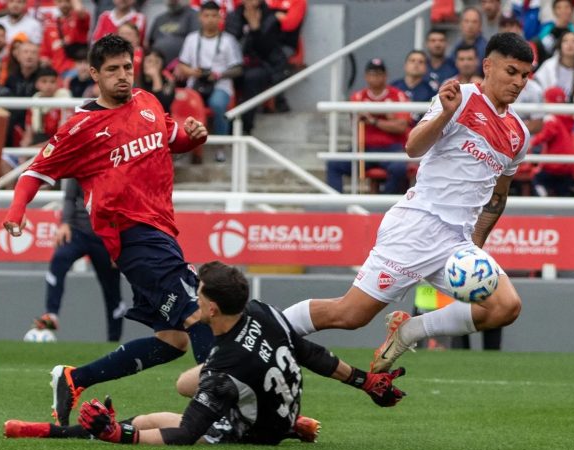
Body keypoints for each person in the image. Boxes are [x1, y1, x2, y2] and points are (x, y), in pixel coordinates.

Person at [282, 33, 533, 374]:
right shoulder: (458, 98)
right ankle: (268, 328)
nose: (518, 82)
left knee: (506, 307)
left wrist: (475, 248)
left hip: (456, 242)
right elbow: (413, 147)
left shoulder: (519, 134)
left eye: (524, 75)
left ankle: (409, 331)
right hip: (417, 226)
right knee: (350, 315)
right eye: (511, 71)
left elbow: (497, 197)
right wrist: (444, 115)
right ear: (488, 66)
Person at [2, 34, 214, 427]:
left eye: (127, 67)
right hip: (131, 234)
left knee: (172, 341)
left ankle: (74, 379)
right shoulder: (82, 126)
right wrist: (17, 210)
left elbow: (172, 140)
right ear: (94, 74)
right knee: (199, 313)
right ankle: (218, 408)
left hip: (161, 231)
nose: (123, 76)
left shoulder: (148, 103)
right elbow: (35, 171)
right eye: (113, 69)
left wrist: (192, 136)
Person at [4, 261, 406, 445]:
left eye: (198, 295)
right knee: (188, 385)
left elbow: (184, 433)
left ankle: (64, 433)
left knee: (157, 412)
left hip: (257, 432)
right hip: (276, 406)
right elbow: (310, 352)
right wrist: (364, 380)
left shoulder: (224, 368)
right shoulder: (262, 311)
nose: (192, 300)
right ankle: (286, 418)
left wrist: (118, 434)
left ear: (212, 308)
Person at [33, 179, 127, 342]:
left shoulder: (120, 164)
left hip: (107, 235)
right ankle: (52, 313)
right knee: (59, 259)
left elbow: (126, 205)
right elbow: (70, 198)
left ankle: (114, 341)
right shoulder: (81, 160)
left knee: (112, 291)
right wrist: (65, 223)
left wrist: (119, 240)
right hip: (78, 231)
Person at [327, 58, 411, 194]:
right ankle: (337, 208)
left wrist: (373, 120)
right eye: (372, 73)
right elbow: (356, 121)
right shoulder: (358, 96)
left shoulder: (398, 95)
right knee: (334, 164)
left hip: (391, 148)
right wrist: (387, 115)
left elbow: (401, 127)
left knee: (399, 169)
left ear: (385, 76)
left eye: (379, 73)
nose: (375, 77)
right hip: (363, 147)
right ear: (366, 76)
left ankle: (385, 209)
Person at [177, 1, 243, 136]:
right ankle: (189, 144)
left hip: (220, 85)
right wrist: (192, 72)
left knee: (217, 104)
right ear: (200, 17)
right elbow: (182, 65)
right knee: (185, 103)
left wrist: (218, 75)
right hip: (196, 83)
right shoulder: (191, 39)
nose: (210, 19)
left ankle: (221, 144)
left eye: (214, 16)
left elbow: (238, 69)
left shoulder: (228, 40)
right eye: (206, 16)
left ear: (220, 17)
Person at [225, 0, 287, 134]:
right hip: (235, 64)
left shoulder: (271, 16)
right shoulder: (234, 16)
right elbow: (229, 43)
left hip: (263, 64)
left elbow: (267, 50)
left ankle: (244, 127)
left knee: (252, 78)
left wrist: (255, 28)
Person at [530, 86, 574, 197]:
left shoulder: (551, 118)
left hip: (554, 164)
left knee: (537, 179)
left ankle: (543, 199)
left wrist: (531, 143)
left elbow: (546, 134)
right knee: (563, 191)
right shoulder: (568, 118)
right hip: (567, 163)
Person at [20, 66, 72, 147]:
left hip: (58, 147)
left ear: (57, 83)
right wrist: (23, 151)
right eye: (44, 81)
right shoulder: (34, 102)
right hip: (38, 145)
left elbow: (62, 137)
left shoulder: (65, 101)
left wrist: (34, 148)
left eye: (52, 81)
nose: (48, 85)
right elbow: (28, 135)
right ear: (36, 84)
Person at [39, 0, 91, 76]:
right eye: (60, 1)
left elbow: (79, 10)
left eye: (67, 1)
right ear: (55, 2)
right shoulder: (50, 25)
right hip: (56, 72)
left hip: (76, 71)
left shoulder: (78, 20)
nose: (64, 4)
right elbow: (44, 54)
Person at [147, 0, 199, 65]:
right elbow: (150, 44)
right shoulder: (159, 19)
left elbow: (196, 44)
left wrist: (182, 64)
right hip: (156, 65)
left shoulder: (194, 16)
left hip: (182, 66)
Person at [534, 31, 574, 101]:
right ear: (560, 46)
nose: (570, 44)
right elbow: (538, 88)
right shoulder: (548, 66)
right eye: (565, 41)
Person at [392, 50, 436, 123]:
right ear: (405, 65)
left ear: (426, 68)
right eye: (412, 61)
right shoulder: (394, 87)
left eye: (421, 62)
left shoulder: (431, 91)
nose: (416, 64)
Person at [534, 0, 574, 67]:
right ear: (554, 11)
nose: (563, 10)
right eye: (559, 8)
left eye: (567, 7)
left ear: (572, 9)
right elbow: (540, 46)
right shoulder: (547, 28)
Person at [452, 7, 487, 75]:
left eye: (474, 22)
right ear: (460, 24)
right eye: (466, 21)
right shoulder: (455, 47)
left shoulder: (487, 49)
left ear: (480, 25)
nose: (470, 25)